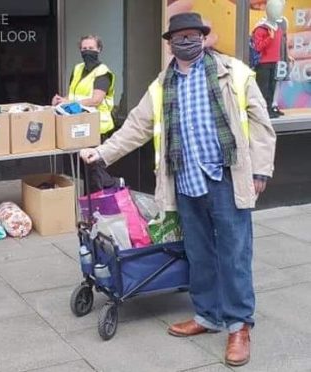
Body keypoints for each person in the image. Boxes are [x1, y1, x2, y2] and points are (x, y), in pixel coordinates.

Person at [80, 13, 276, 367]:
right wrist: (102, 152)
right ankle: (207, 316)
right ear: (170, 43)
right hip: (185, 181)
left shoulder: (233, 72)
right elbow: (136, 127)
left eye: (192, 35)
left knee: (234, 253)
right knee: (198, 253)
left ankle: (238, 324)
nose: (185, 41)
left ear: (203, 37)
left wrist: (261, 169)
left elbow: (261, 123)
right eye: (178, 37)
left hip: (227, 178)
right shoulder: (162, 84)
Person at [52, 35, 121, 191]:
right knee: (86, 170)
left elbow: (96, 99)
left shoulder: (103, 72)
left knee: (93, 169)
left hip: (98, 127)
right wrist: (61, 100)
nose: (87, 51)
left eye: (91, 48)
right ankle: (91, 202)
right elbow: (72, 96)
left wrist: (70, 103)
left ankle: (112, 187)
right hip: (80, 125)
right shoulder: (77, 69)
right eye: (84, 48)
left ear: (99, 49)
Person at [252, 0, 293, 118]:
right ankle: (261, 111)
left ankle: (271, 108)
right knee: (263, 87)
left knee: (272, 86)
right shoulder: (261, 28)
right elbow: (257, 47)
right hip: (263, 62)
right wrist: (269, 38)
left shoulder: (278, 28)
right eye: (276, 9)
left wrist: (286, 55)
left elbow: (281, 44)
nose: (279, 12)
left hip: (275, 61)